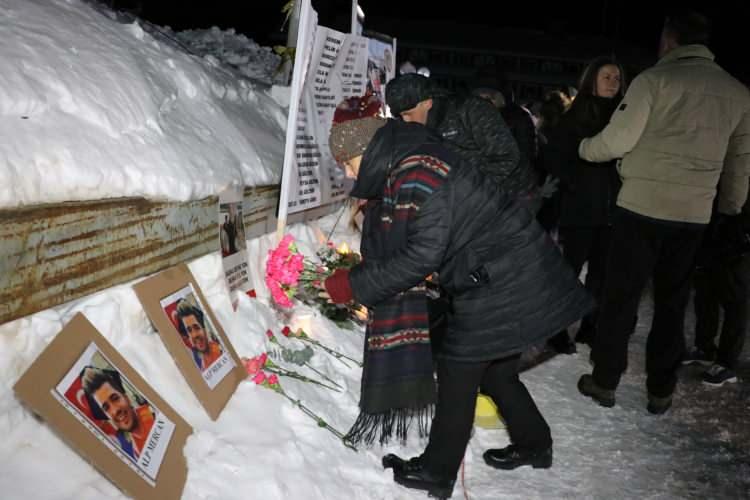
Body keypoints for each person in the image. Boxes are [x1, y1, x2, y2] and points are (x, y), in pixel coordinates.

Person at [325, 94, 593, 498]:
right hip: (504, 265)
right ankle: (535, 443)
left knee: (458, 368)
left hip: (503, 275)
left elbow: (420, 256)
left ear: (367, 148)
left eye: (348, 162)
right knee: (496, 371)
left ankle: (437, 472)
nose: (348, 173)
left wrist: (354, 284)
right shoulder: (409, 158)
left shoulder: (417, 174)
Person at [576, 9, 750, 414]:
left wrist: (583, 148)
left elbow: (616, 142)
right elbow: (740, 161)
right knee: (673, 303)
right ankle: (660, 390)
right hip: (693, 215)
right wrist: (729, 207)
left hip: (641, 207)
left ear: (669, 39)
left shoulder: (653, 80)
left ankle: (605, 380)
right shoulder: (738, 93)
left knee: (621, 298)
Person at [542, 56, 628, 355]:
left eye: (617, 78)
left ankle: (590, 327)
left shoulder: (625, 117)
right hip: (580, 207)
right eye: (606, 77)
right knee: (569, 272)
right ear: (591, 79)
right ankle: (556, 330)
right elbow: (554, 157)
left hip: (613, 209)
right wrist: (574, 182)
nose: (613, 83)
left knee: (602, 275)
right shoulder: (574, 116)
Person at [385, 73, 539, 209]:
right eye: (400, 116)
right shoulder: (420, 126)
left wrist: (463, 186)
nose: (406, 120)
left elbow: (507, 157)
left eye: (408, 114)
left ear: (427, 103)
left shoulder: (471, 110)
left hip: (512, 198)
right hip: (474, 199)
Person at [684, 190, 750, 386]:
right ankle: (704, 347)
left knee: (735, 298)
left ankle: (727, 362)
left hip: (738, 224)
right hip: (714, 220)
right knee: (705, 289)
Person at [82, 367, 155, 461]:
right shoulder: (137, 454)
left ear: (126, 397)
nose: (115, 410)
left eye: (115, 398)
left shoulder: (154, 412)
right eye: (106, 408)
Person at [175, 299, 223, 371]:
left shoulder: (220, 351)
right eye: (189, 331)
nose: (194, 335)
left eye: (197, 327)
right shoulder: (202, 366)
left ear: (204, 328)